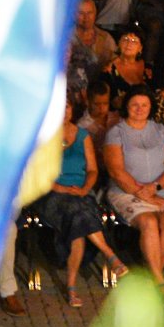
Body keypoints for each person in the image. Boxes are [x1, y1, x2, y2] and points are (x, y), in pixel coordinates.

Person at [30, 95, 125, 307]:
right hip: (51, 193)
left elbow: (92, 170)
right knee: (78, 214)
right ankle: (109, 255)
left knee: (79, 219)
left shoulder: (83, 136)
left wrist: (84, 189)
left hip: (80, 193)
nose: (64, 113)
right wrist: (60, 187)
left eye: (67, 108)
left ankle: (71, 287)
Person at [102, 89, 164, 289]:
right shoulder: (116, 133)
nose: (140, 109)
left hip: (160, 191)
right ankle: (159, 282)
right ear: (126, 107)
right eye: (134, 105)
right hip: (126, 191)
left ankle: (149, 277)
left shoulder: (162, 131)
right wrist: (147, 196)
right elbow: (116, 171)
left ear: (151, 107)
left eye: (144, 105)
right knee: (148, 222)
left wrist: (156, 187)